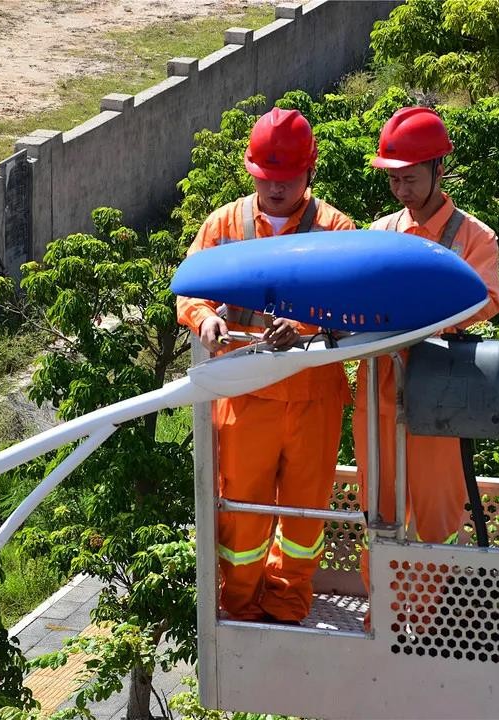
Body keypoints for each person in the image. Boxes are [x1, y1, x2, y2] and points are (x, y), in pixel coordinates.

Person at [177, 107, 354, 623]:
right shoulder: (225, 224)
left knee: (305, 514)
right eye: (267, 178)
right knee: (243, 514)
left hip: (311, 394)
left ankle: (287, 602)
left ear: (309, 173)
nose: (276, 188)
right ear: (253, 173)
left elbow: (352, 307)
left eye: (288, 177)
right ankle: (241, 606)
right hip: (245, 391)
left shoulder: (335, 229)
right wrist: (203, 318)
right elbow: (190, 288)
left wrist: (300, 328)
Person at [354, 106, 499, 595]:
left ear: (439, 169)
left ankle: (430, 617)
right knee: (379, 507)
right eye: (394, 180)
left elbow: (485, 300)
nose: (401, 190)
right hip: (378, 387)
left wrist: (418, 317)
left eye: (410, 178)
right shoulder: (379, 233)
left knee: (436, 513)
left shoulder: (473, 237)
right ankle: (386, 614)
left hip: (438, 387)